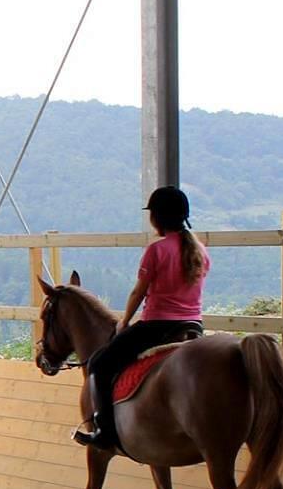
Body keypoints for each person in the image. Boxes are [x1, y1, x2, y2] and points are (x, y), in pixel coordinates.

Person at [73, 186, 207, 453]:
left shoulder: (156, 250)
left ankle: (103, 432)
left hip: (157, 326)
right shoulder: (200, 250)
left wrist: (124, 322)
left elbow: (139, 291)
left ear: (157, 217)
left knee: (99, 363)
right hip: (193, 324)